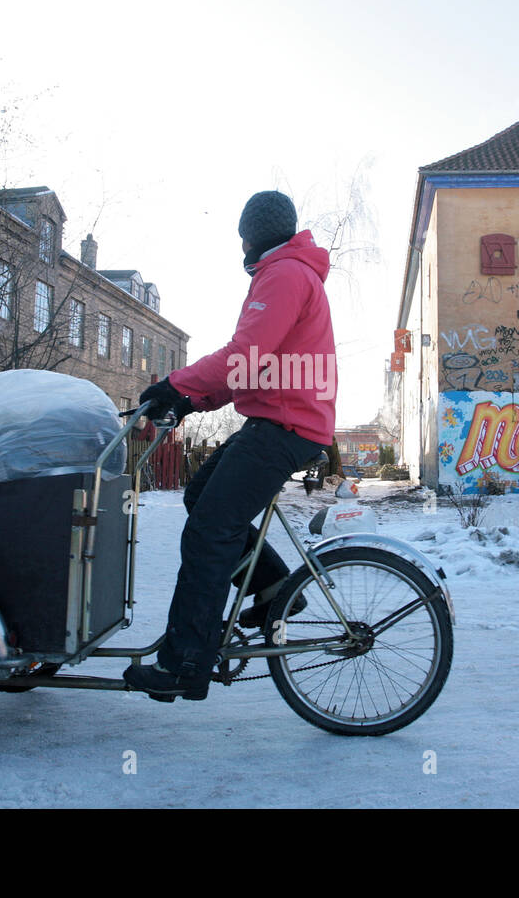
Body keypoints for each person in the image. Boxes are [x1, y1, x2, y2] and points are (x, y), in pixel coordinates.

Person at [123, 191, 337, 701]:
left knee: (208, 532)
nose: (240, 243)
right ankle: (274, 592)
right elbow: (249, 366)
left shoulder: (284, 273)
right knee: (202, 499)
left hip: (284, 424)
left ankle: (185, 662)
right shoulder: (286, 270)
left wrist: (177, 384)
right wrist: (190, 399)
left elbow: (245, 353)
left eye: (243, 233)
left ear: (255, 233)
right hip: (281, 420)